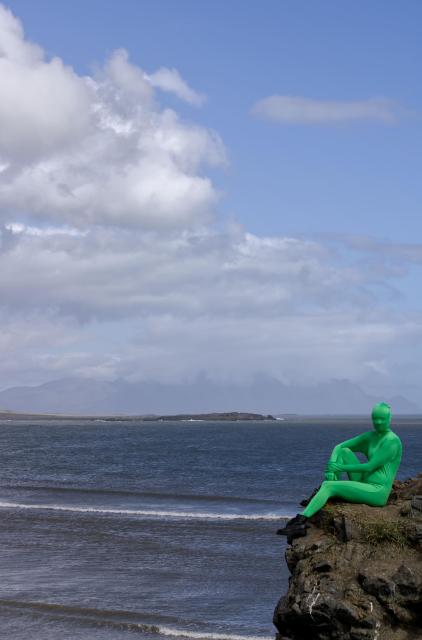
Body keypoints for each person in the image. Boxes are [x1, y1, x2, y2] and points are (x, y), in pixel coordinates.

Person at [277, 402, 402, 540]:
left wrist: (340, 468)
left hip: (376, 491)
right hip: (363, 481)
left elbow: (370, 466)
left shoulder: (392, 441)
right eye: (375, 418)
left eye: (382, 419)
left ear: (389, 419)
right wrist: (331, 470)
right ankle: (328, 487)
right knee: (344, 452)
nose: (378, 422)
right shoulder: (370, 437)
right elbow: (339, 447)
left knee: (328, 486)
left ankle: (301, 522)